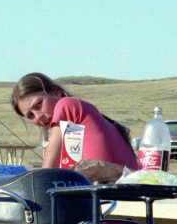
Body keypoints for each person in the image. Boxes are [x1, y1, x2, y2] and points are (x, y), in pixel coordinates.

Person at [11, 72, 139, 183]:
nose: (38, 117)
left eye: (38, 105)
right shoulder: (76, 125)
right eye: (30, 116)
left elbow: (47, 173)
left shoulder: (66, 104)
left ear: (55, 93)